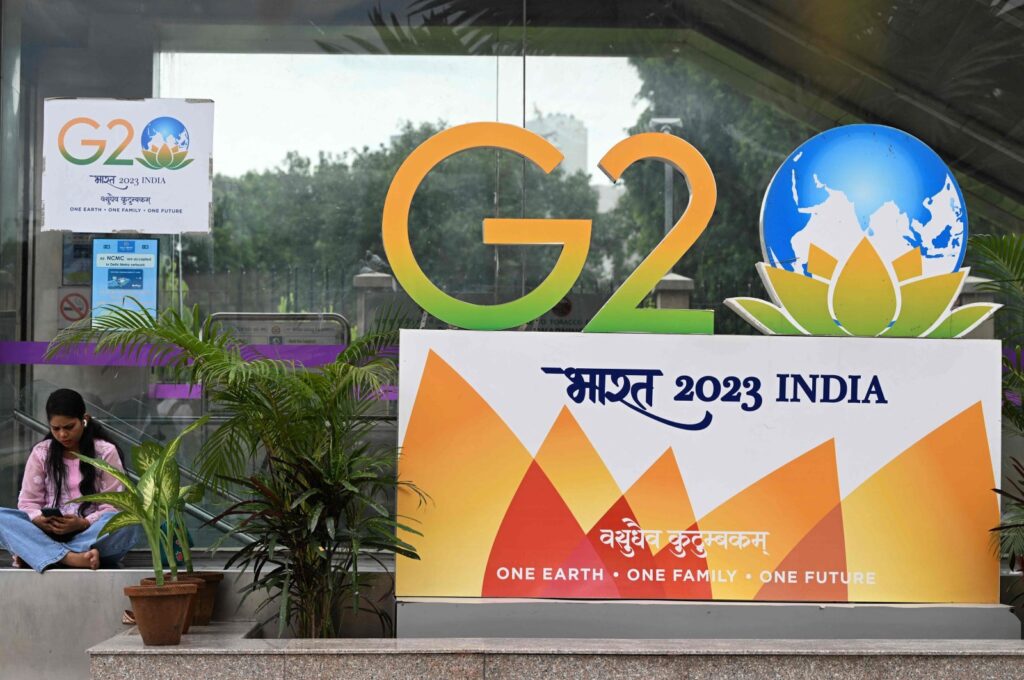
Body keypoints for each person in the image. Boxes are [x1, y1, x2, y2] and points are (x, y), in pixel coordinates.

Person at [0, 388, 142, 572]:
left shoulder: (105, 452)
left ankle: (40, 554)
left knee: (129, 522)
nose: (62, 435)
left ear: (85, 420)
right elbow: (27, 504)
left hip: (91, 535)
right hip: (48, 534)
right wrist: (38, 520)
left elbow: (113, 506)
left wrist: (83, 523)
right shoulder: (42, 453)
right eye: (56, 428)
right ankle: (72, 558)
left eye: (68, 427)